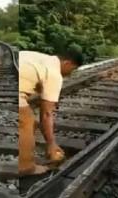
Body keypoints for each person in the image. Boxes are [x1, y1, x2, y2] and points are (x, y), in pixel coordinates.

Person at [19, 46, 83, 175]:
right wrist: (51, 144)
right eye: (73, 69)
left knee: (30, 121)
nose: (71, 73)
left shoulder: (40, 58)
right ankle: (26, 166)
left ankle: (24, 151)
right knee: (26, 122)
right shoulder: (54, 73)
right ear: (67, 63)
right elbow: (47, 113)